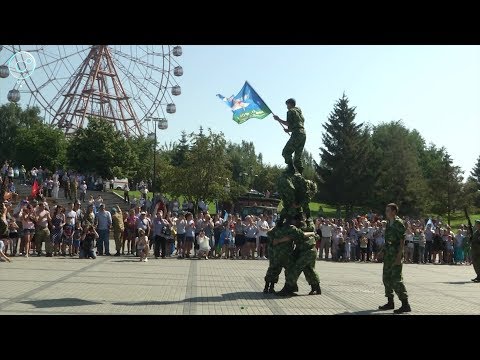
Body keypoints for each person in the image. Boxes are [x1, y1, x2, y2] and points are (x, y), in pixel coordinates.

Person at [378, 203, 411, 314]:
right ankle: (390, 302)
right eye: (386, 210)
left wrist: (399, 256)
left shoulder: (398, 223)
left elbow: (402, 242)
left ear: (394, 212)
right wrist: (382, 251)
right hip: (388, 254)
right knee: (386, 278)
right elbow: (388, 241)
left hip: (396, 255)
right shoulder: (389, 223)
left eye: (388, 210)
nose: (386, 212)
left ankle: (405, 304)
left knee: (396, 279)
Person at [273, 98, 306, 174]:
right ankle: (300, 174)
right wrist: (289, 130)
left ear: (290, 104)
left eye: (287, 105)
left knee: (286, 152)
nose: (287, 107)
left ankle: (291, 169)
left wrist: (278, 119)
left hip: (297, 134)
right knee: (298, 156)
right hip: (303, 134)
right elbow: (297, 124)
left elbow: (288, 123)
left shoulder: (290, 111)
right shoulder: (298, 111)